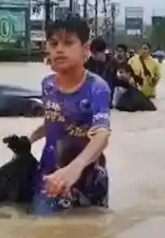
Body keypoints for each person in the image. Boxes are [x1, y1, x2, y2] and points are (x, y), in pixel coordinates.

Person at [23, 15, 112, 215]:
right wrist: (29, 140)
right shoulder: (47, 85)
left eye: (68, 43)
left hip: (88, 177)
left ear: (85, 49)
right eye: (53, 43)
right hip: (49, 175)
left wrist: (74, 169)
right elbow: (55, 122)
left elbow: (102, 135)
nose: (59, 49)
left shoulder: (97, 88)